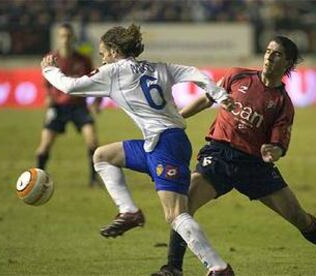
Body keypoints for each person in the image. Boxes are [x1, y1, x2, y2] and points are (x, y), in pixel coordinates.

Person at [152, 36, 316, 276]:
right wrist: (177, 119)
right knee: (182, 207)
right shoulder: (238, 76)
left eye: (276, 54)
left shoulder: (282, 103)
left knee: (300, 218)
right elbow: (207, 99)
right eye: (268, 51)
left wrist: (272, 152)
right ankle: (172, 268)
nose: (269, 56)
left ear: (287, 62)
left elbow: (279, 143)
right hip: (219, 155)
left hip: (254, 166)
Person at [40, 23, 235, 275]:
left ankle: (218, 268)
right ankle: (129, 212)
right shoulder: (158, 67)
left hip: (165, 145)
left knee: (176, 215)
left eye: (102, 53)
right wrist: (219, 94)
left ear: (112, 51)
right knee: (103, 156)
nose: (102, 58)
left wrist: (49, 69)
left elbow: (69, 86)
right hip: (158, 143)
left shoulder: (112, 72)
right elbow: (194, 72)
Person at [35, 23, 102, 187]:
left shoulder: (83, 60)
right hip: (58, 107)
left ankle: (93, 179)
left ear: (73, 38)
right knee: (44, 146)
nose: (65, 39)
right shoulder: (51, 59)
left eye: (68, 36)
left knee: (92, 140)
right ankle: (38, 180)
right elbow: (46, 84)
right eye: (62, 36)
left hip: (79, 106)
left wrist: (97, 101)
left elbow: (97, 81)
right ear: (58, 38)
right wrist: (48, 97)